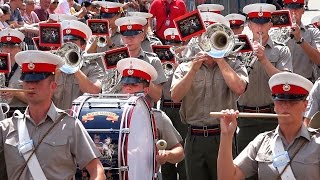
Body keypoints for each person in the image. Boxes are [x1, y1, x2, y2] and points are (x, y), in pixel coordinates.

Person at [0, 50, 106, 179]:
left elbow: (97, 170)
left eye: (37, 81)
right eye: (27, 81)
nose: (31, 86)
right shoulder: (6, 128)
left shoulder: (70, 125)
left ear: (53, 86)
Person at [170, 14, 249, 180]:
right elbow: (175, 97)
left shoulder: (233, 63)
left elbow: (240, 88)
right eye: (205, 36)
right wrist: (193, 69)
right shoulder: (186, 66)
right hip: (194, 137)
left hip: (222, 136)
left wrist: (220, 60)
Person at [217, 71, 319, 180]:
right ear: (274, 105)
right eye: (280, 101)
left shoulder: (317, 143)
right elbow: (227, 177)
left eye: (292, 101)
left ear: (305, 105)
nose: (285, 106)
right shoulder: (261, 142)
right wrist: (226, 135)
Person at [236, 3, 293, 157]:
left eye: (264, 23)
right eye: (255, 23)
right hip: (245, 118)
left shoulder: (281, 49)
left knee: (272, 167)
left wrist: (264, 60)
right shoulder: (238, 48)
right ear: (249, 25)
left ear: (270, 25)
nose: (259, 27)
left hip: (272, 116)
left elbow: (284, 83)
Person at [116, 57, 184, 176]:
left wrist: (166, 155)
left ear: (146, 90)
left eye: (134, 84)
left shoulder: (157, 117)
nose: (128, 88)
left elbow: (180, 152)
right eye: (125, 84)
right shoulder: (114, 116)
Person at [52, 20, 103, 110]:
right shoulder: (53, 65)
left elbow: (95, 91)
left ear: (83, 45)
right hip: (55, 119)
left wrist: (74, 67)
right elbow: (43, 94)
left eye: (72, 41)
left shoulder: (92, 67)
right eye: (65, 41)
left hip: (79, 119)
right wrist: (55, 73)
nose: (67, 44)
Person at [115, 16, 167, 102]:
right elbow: (107, 89)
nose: (129, 39)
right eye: (126, 36)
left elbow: (157, 96)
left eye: (133, 36)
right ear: (121, 38)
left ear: (142, 37)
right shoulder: (114, 60)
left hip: (143, 111)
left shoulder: (152, 61)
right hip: (119, 110)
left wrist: (142, 75)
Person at [160, 27, 187, 180]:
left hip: (182, 108)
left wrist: (179, 68)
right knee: (165, 146)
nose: (173, 47)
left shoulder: (187, 61)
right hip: (166, 107)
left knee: (183, 149)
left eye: (177, 43)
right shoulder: (161, 60)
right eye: (169, 43)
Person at [282, 0, 320, 81]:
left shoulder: (312, 32)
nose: (294, 11)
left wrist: (300, 40)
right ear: (284, 9)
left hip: (304, 82)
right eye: (290, 7)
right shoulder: (275, 32)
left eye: (298, 7)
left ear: (303, 10)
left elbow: (319, 60)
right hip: (281, 83)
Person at [0, 29, 28, 117]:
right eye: (5, 46)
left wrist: (15, 93)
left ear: (20, 48)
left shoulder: (27, 69)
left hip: (18, 114)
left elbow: (35, 99)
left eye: (12, 47)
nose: (8, 50)